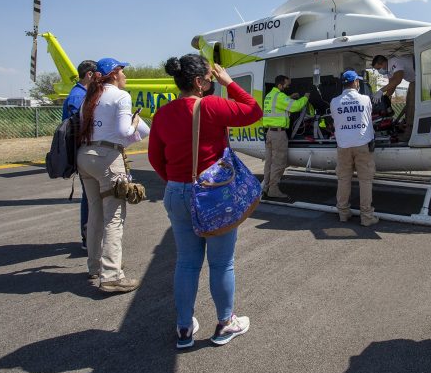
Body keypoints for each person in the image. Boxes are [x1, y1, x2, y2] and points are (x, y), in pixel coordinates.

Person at [148, 54, 262, 349]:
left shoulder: (162, 114)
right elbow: (253, 111)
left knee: (186, 262)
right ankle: (225, 323)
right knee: (222, 263)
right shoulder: (211, 105)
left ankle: (184, 327)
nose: (213, 83)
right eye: (210, 79)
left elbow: (155, 158)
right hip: (212, 195)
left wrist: (177, 181)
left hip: (176, 192)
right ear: (199, 82)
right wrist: (229, 82)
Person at [77, 57, 150, 294]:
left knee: (95, 212)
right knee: (114, 217)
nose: (126, 76)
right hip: (107, 158)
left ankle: (95, 265)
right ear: (115, 73)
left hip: (84, 156)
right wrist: (135, 122)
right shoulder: (121, 96)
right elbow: (123, 131)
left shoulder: (90, 97)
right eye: (123, 72)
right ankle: (111, 276)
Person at [330, 70, 379, 227]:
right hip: (362, 144)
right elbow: (369, 116)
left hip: (343, 145)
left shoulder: (334, 102)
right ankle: (366, 216)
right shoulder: (365, 99)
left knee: (344, 179)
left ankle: (343, 213)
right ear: (356, 83)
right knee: (365, 180)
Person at [62, 59, 97, 249]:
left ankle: (89, 236)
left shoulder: (82, 94)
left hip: (84, 150)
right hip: (84, 150)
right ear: (90, 75)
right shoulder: (78, 97)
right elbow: (79, 127)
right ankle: (88, 238)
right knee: (90, 198)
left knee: (90, 196)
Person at [261, 74, 308, 202]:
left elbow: (279, 105)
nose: (288, 86)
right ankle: (274, 190)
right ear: (280, 85)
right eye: (286, 85)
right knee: (279, 162)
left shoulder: (270, 96)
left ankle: (266, 187)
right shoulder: (280, 96)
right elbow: (296, 106)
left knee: (269, 163)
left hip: (270, 133)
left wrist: (289, 97)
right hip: (278, 135)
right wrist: (305, 98)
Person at [371, 54, 416, 142]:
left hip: (418, 80)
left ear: (383, 63)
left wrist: (380, 91)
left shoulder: (394, 62)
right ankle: (407, 129)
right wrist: (385, 98)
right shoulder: (389, 71)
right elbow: (392, 85)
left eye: (378, 68)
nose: (378, 71)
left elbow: (398, 79)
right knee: (408, 105)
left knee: (411, 107)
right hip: (413, 81)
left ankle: (409, 135)